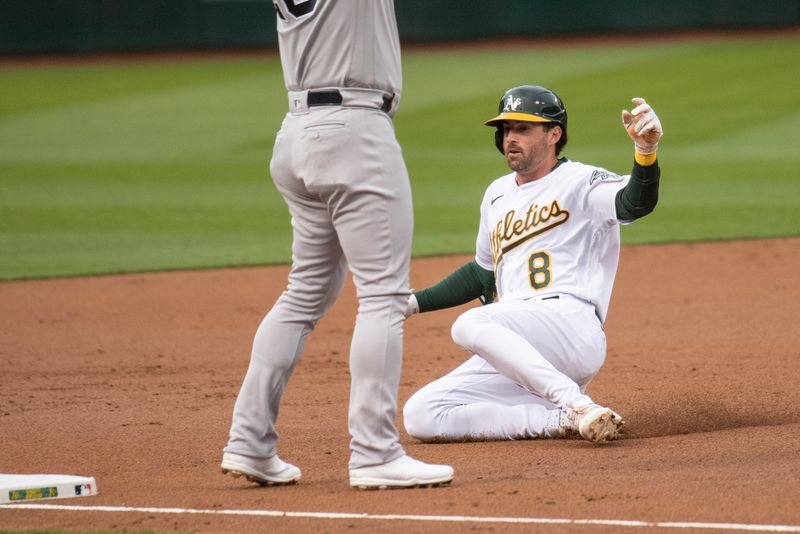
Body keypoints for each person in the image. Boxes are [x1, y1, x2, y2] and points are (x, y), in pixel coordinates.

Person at [220, 0, 453, 489]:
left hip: (297, 133)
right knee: (384, 296)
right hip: (353, 131)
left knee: (304, 291)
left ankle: (249, 441)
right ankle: (374, 452)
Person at [402, 85, 663, 443]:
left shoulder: (581, 181)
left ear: (554, 134)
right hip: (519, 341)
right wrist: (412, 303)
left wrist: (645, 151)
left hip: (569, 327)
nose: (511, 138)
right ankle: (563, 420)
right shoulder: (496, 193)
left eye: (523, 128)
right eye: (506, 129)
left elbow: (633, 203)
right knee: (423, 414)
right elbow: (483, 273)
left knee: (470, 322)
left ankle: (575, 403)